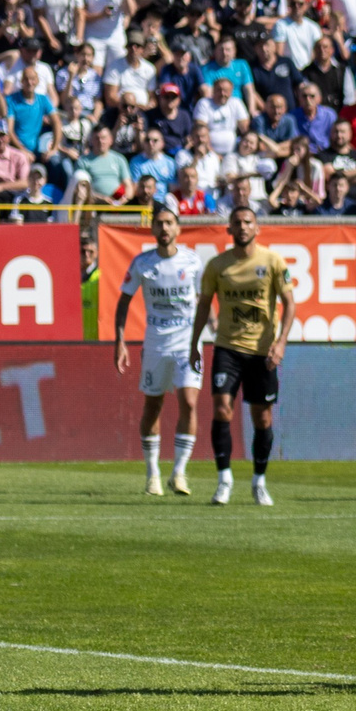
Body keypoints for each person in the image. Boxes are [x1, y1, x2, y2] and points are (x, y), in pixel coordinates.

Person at [186, 203, 295, 507]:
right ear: (229, 229)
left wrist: (281, 342)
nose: (243, 226)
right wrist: (195, 343)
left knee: (262, 417)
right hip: (227, 348)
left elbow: (290, 303)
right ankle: (224, 480)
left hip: (262, 352)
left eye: (248, 221)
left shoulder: (272, 261)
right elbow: (204, 305)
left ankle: (259, 481)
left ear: (257, 228)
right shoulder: (217, 265)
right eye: (238, 222)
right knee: (222, 408)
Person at [113, 204, 205, 495]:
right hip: (155, 342)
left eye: (169, 223)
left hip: (188, 341)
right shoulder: (142, 263)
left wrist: (205, 334)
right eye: (159, 224)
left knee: (189, 401)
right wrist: (120, 341)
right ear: (152, 229)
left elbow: (204, 301)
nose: (164, 229)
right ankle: (153, 474)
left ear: (178, 228)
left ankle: (179, 472)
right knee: (153, 406)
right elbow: (124, 301)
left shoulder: (193, 262)